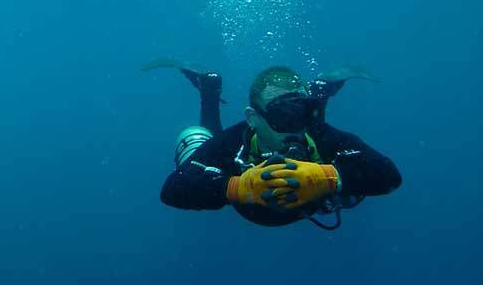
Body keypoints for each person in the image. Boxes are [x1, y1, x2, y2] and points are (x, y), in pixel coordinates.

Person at [160, 65, 400, 228]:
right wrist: (237, 186)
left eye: (304, 112)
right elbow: (173, 188)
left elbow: (388, 173)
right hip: (237, 179)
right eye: (282, 116)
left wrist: (327, 176)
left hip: (309, 192)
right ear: (252, 118)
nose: (295, 128)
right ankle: (209, 92)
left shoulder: (317, 133)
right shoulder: (234, 142)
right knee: (199, 140)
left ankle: (318, 96)